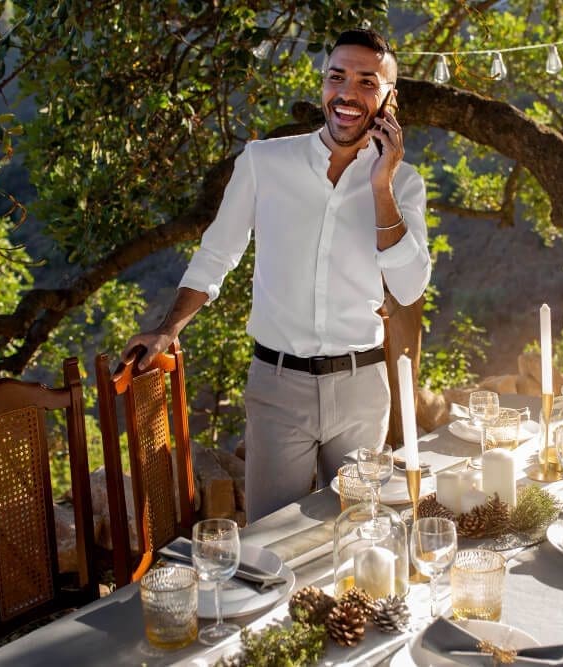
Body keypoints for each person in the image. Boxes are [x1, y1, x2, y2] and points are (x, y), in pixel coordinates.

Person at [122, 28, 431, 522]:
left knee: (358, 532)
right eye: (337, 77)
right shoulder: (264, 162)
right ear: (323, 86)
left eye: (368, 82)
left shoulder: (404, 184)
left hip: (362, 387)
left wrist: (381, 187)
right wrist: (167, 328)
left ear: (391, 99)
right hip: (278, 385)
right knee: (269, 538)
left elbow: (410, 286)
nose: (348, 93)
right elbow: (216, 255)